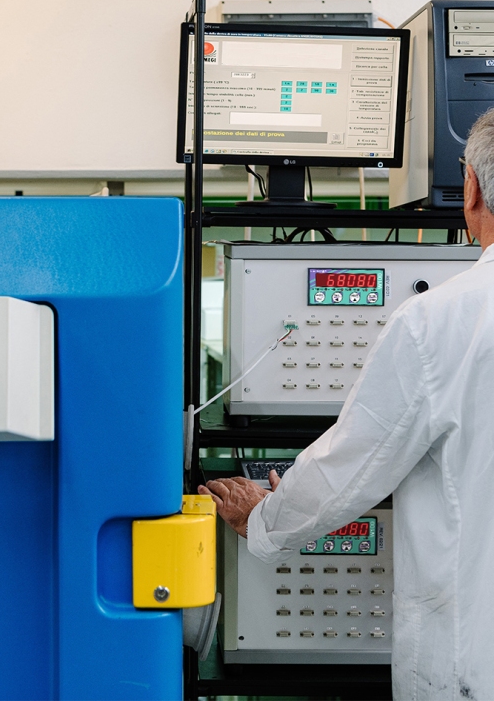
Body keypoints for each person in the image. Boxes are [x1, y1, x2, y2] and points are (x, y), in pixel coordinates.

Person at [199, 108, 494, 701]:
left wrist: (263, 519)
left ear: (472, 189)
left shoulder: (439, 321)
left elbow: (350, 466)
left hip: (471, 664)